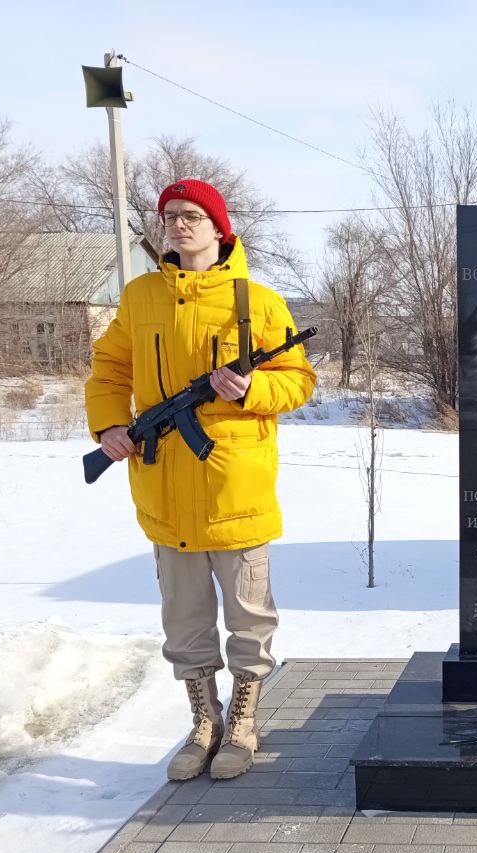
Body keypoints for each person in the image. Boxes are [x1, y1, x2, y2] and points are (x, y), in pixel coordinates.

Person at [85, 179, 316, 782]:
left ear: (219, 228)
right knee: (184, 621)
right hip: (163, 490)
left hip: (234, 490)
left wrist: (253, 389)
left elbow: (298, 380)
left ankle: (242, 720)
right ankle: (203, 720)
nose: (178, 225)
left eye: (192, 216)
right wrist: (110, 425)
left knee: (248, 618)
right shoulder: (140, 298)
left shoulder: (257, 302)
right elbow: (109, 366)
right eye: (169, 217)